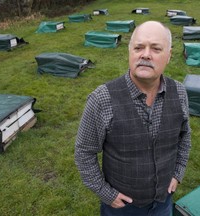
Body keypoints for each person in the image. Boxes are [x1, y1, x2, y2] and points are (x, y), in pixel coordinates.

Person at [75, 21, 191, 216]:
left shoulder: (179, 92)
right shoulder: (102, 99)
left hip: (163, 202)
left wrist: (178, 172)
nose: (145, 54)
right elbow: (84, 152)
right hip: (121, 208)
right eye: (139, 47)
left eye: (155, 48)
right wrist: (105, 193)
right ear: (130, 52)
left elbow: (184, 137)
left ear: (169, 55)